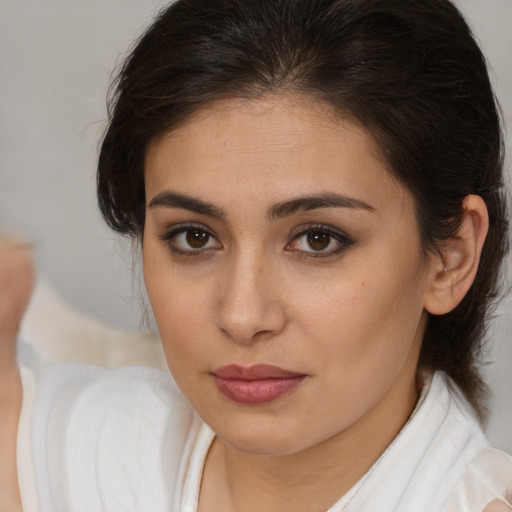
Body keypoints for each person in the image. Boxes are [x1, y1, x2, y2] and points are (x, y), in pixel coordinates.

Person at [1, 0, 511, 510]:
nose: (242, 317)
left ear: (451, 256)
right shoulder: (52, 459)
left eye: (317, 239)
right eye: (194, 237)